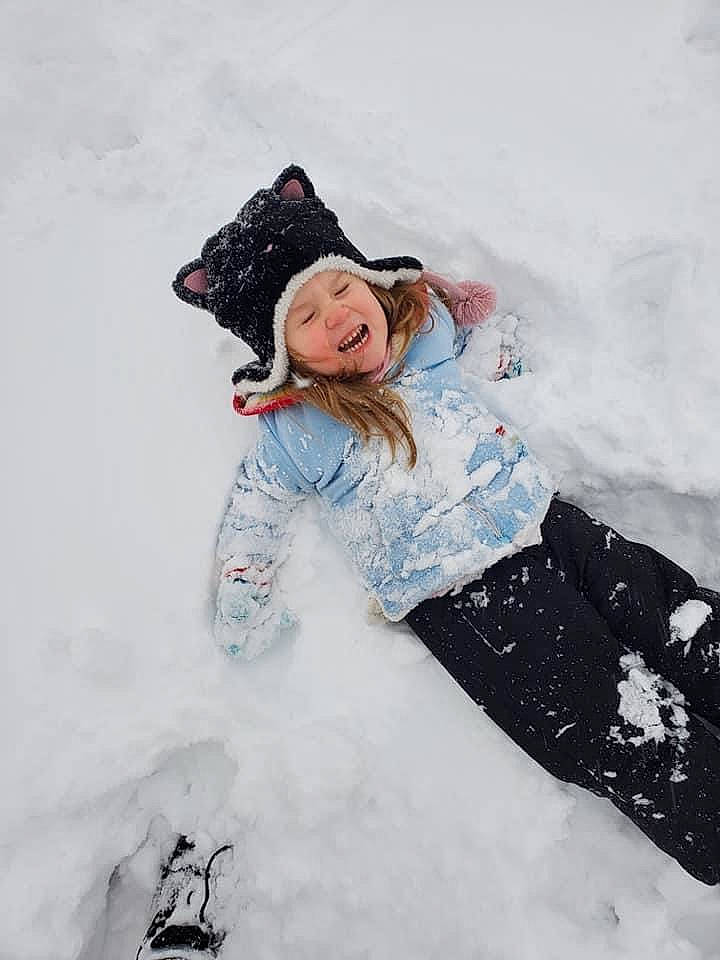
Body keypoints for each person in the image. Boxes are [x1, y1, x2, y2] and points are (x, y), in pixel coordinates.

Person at [140, 164, 720, 957]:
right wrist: (244, 584)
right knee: (603, 717)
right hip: (473, 603)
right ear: (285, 356)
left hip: (547, 523)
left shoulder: (424, 339)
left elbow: (470, 340)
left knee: (666, 610)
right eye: (304, 316)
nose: (337, 314)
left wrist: (490, 339)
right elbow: (257, 507)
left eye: (341, 289)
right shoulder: (297, 430)